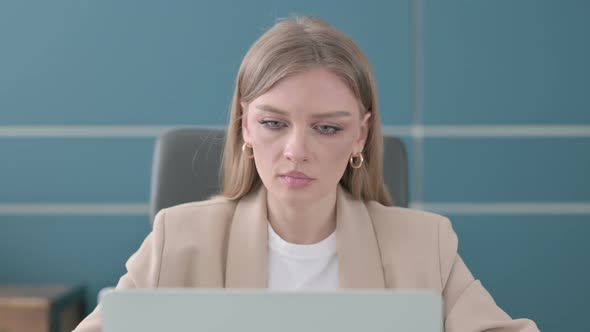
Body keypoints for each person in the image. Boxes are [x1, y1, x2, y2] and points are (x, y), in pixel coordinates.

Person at [73, 15, 539, 332]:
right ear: (244, 127)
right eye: (273, 123)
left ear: (360, 135)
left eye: (328, 128)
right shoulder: (178, 239)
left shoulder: (424, 245)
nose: (297, 151)